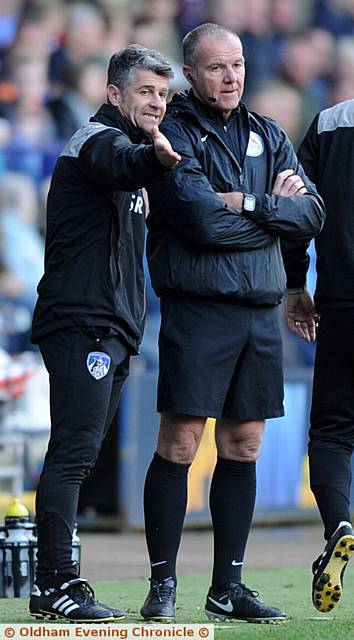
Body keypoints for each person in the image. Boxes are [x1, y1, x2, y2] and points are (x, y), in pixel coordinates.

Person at [140, 22, 325, 623]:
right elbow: (199, 223)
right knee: (182, 441)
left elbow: (312, 214)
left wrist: (247, 203)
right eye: (217, 67)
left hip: (260, 313)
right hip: (199, 310)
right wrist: (275, 214)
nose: (232, 76)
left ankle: (228, 588)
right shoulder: (172, 133)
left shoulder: (269, 133)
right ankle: (163, 584)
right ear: (190, 74)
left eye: (239, 65)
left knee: (243, 444)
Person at [28, 43, 180, 623]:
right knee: (71, 454)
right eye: (146, 92)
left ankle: (61, 581)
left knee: (80, 454)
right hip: (80, 321)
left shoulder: (137, 146)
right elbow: (123, 162)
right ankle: (54, 585)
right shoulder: (95, 141)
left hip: (112, 326)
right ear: (114, 94)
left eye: (163, 95)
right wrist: (157, 160)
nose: (157, 104)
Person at [287, 98, 354, 614]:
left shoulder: (331, 123)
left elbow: (296, 209)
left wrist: (294, 283)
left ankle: (339, 525)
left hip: (343, 303)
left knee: (332, 432)